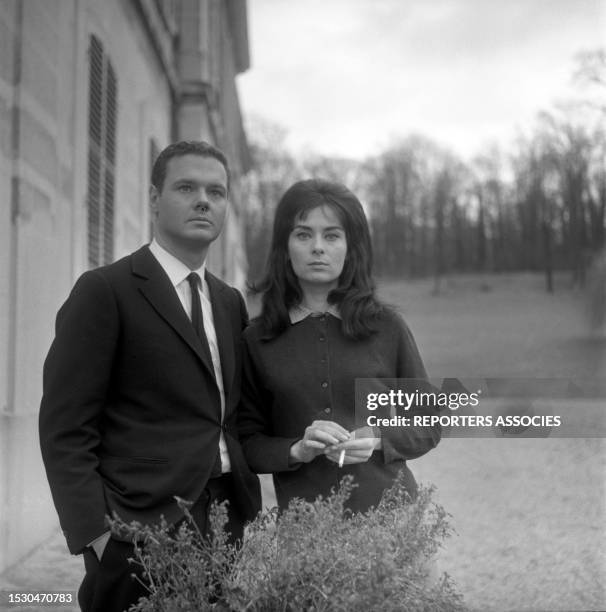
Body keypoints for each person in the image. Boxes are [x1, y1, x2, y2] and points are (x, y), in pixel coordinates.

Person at [39, 141, 261, 612]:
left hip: (227, 522)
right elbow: (65, 428)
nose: (204, 200)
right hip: (138, 530)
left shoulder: (229, 302)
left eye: (216, 192)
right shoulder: (105, 291)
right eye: (187, 187)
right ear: (155, 198)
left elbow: (231, 415)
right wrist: (97, 536)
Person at [238, 179, 440, 513]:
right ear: (284, 248)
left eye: (331, 235)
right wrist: (297, 449)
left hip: (393, 520)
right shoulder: (257, 339)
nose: (318, 247)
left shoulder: (387, 327)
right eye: (303, 234)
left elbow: (428, 424)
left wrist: (376, 439)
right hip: (307, 529)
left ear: (351, 247)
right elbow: (248, 442)